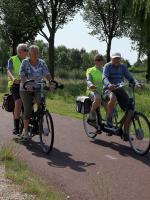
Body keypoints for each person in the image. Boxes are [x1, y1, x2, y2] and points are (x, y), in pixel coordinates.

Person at [19, 45, 52, 139]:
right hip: (25, 88)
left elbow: (47, 73)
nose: (35, 54)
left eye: (37, 52)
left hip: (38, 87)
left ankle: (39, 124)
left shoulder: (42, 62)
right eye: (33, 53)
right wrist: (27, 83)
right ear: (29, 53)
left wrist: (51, 82)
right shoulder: (25, 62)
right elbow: (22, 74)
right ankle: (25, 131)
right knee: (28, 109)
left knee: (41, 103)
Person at [103, 53, 136, 130]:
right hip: (108, 89)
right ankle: (109, 119)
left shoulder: (123, 67)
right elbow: (104, 77)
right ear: (112, 59)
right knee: (113, 98)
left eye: (118, 59)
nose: (117, 60)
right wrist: (109, 84)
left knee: (130, 106)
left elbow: (129, 77)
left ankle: (125, 131)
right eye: (115, 59)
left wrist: (136, 83)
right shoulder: (107, 66)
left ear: (120, 59)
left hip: (119, 89)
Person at [7, 43, 28, 134]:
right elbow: (9, 71)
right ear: (19, 51)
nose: (27, 51)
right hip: (15, 85)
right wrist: (13, 79)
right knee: (18, 103)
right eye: (25, 50)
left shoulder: (28, 61)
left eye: (27, 50)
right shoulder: (12, 59)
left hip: (27, 84)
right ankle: (16, 127)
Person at [86, 54, 104, 122]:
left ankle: (109, 124)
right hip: (92, 90)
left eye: (99, 60)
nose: (97, 61)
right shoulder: (90, 70)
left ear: (102, 61)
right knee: (98, 98)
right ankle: (91, 113)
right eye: (96, 60)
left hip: (103, 91)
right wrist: (91, 85)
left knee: (109, 105)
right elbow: (88, 80)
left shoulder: (105, 70)